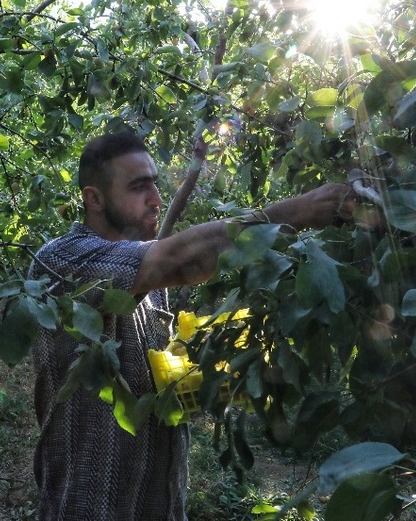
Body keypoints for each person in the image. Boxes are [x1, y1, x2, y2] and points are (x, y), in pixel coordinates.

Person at [27, 131, 356, 520]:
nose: (155, 198)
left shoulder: (149, 286)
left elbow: (154, 379)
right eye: (138, 187)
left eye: (154, 183)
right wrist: (298, 211)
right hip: (87, 507)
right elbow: (180, 259)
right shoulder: (61, 262)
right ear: (94, 199)